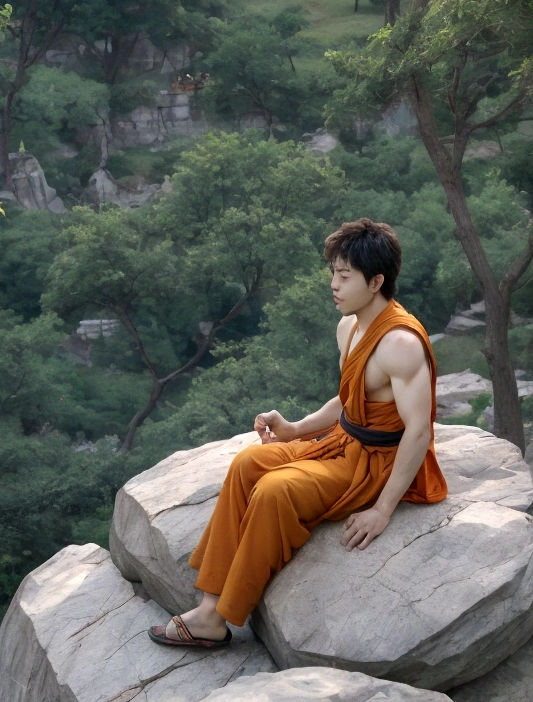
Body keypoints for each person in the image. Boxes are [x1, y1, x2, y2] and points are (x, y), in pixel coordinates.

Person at [149, 218, 447, 649]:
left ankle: (217, 618)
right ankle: (208, 604)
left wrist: (382, 510)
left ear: (377, 280)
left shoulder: (400, 343)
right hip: (341, 444)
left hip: (376, 464)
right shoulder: (350, 326)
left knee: (274, 490)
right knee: (248, 463)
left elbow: (419, 432)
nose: (334, 284)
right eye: (333, 273)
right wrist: (294, 430)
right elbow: (350, 400)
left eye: (344, 276)